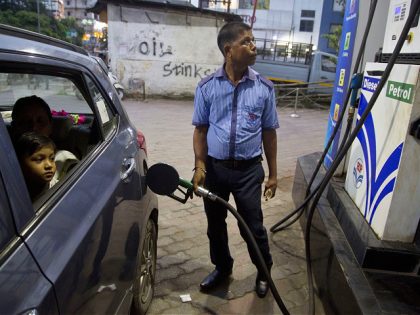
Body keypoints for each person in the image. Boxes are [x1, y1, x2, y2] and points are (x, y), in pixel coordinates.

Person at [192, 21, 279, 298]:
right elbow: (201, 130)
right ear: (229, 50)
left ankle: (264, 270)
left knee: (252, 226)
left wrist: (273, 174)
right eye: (247, 41)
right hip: (215, 170)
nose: (254, 46)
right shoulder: (207, 87)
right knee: (215, 225)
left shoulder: (264, 88)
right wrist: (200, 166)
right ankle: (222, 268)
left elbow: (269, 134)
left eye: (253, 40)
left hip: (249, 171)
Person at [11, 95, 79, 186]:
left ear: (50, 126)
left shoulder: (64, 160)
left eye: (40, 121)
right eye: (25, 122)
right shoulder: (6, 161)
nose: (33, 127)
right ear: (14, 128)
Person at [15, 132, 57, 201]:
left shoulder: (58, 188)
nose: (49, 165)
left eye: (52, 158)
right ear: (20, 163)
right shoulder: (12, 192)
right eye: (39, 159)